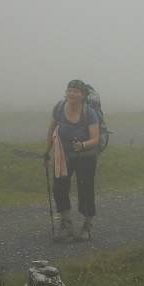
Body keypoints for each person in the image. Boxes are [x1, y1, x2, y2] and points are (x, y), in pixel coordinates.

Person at [42, 79, 101, 243]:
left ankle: (87, 227)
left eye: (75, 91)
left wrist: (82, 145)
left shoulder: (89, 112)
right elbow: (51, 129)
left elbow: (96, 138)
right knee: (59, 188)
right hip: (64, 155)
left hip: (86, 157)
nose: (71, 93)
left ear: (82, 95)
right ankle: (66, 225)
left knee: (85, 190)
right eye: (69, 90)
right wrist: (46, 151)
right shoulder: (60, 108)